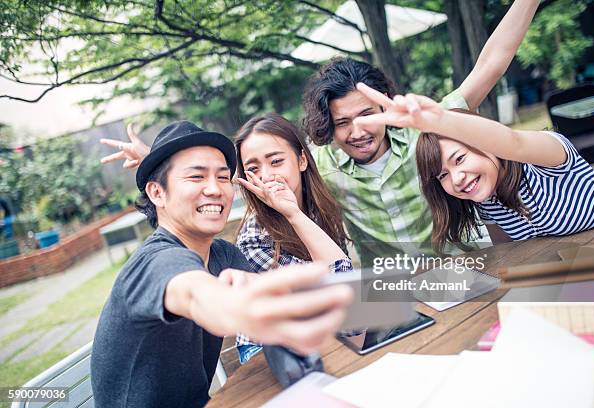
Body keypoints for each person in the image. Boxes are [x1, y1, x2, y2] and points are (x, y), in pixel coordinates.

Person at [91, 121, 352, 407]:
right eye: (196, 177)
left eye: (223, 177)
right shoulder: (154, 262)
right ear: (156, 193)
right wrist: (238, 307)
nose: (215, 189)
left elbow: (342, 280)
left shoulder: (223, 255)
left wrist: (291, 214)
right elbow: (196, 294)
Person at [301, 0, 540, 258]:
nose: (358, 132)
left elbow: (490, 66)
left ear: (384, 105)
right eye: (342, 123)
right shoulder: (320, 167)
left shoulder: (427, 130)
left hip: (462, 271)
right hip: (391, 288)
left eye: (366, 115)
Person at [349, 84, 594, 252]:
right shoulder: (486, 198)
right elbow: (512, 254)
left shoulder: (547, 159)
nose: (457, 178)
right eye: (442, 175)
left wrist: (440, 121)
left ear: (485, 145)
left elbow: (514, 142)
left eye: (459, 159)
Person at [233, 112, 353, 362]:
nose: (266, 176)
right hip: (268, 348)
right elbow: (338, 284)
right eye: (253, 169)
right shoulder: (253, 240)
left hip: (321, 326)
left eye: (276, 161)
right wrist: (292, 214)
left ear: (301, 160)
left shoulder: (319, 207)